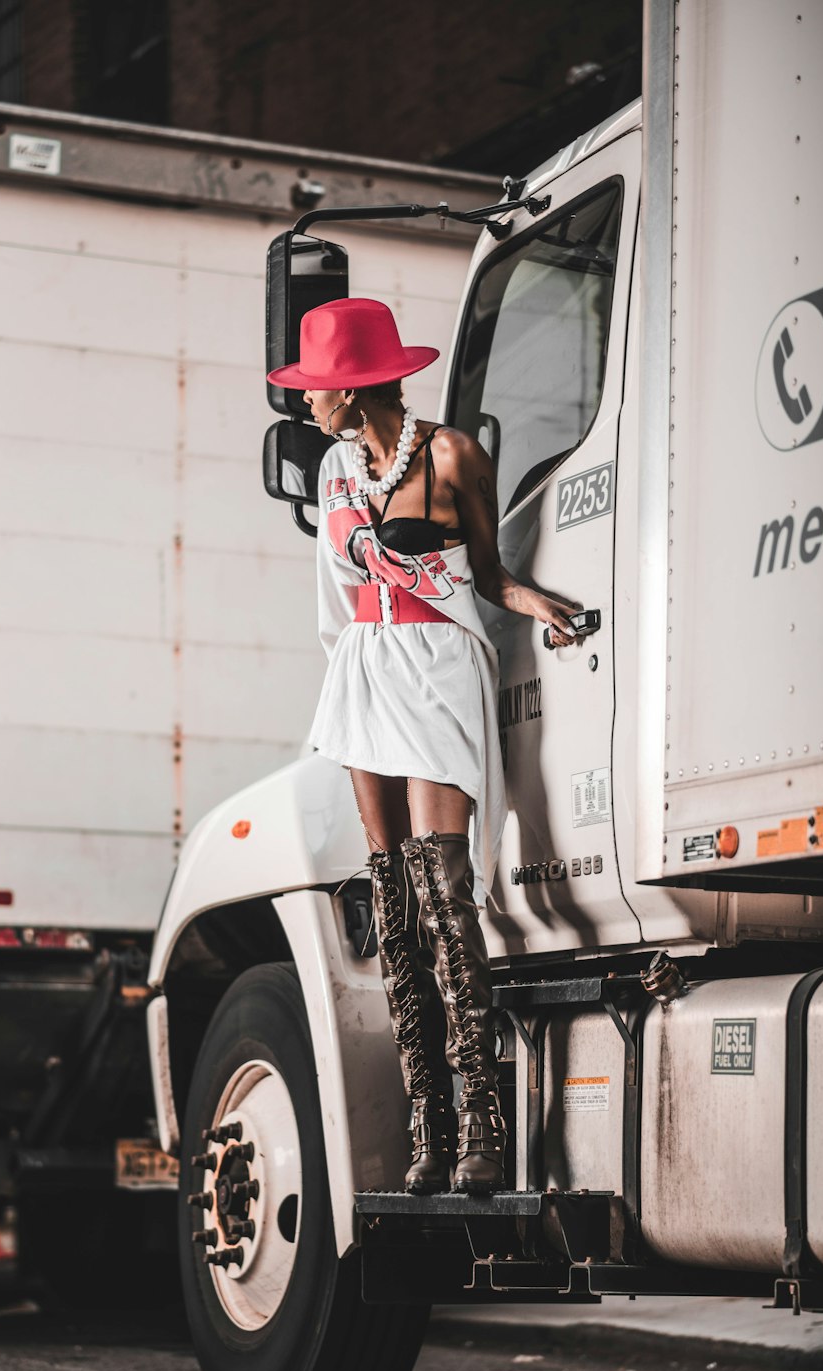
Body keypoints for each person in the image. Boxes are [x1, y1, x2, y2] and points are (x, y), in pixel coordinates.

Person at [267, 298, 575, 1196]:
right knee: (391, 897)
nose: (308, 407)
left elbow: (485, 576)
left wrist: (537, 606)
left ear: (358, 387)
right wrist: (346, 676)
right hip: (367, 666)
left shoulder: (452, 455)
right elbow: (335, 592)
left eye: (318, 391)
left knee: (446, 889)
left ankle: (482, 1118)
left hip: (438, 664)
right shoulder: (331, 469)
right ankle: (427, 1127)